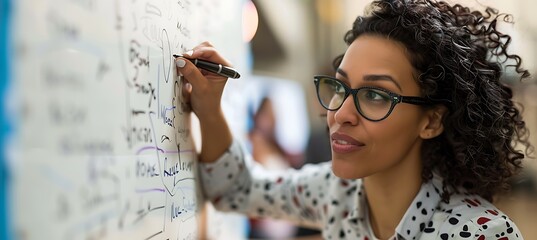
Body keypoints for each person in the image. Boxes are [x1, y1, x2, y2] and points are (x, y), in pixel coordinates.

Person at [175, 0, 533, 239]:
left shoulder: (480, 232)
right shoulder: (339, 194)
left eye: (376, 95)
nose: (340, 114)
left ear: (431, 121)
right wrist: (208, 109)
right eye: (340, 87)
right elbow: (235, 190)